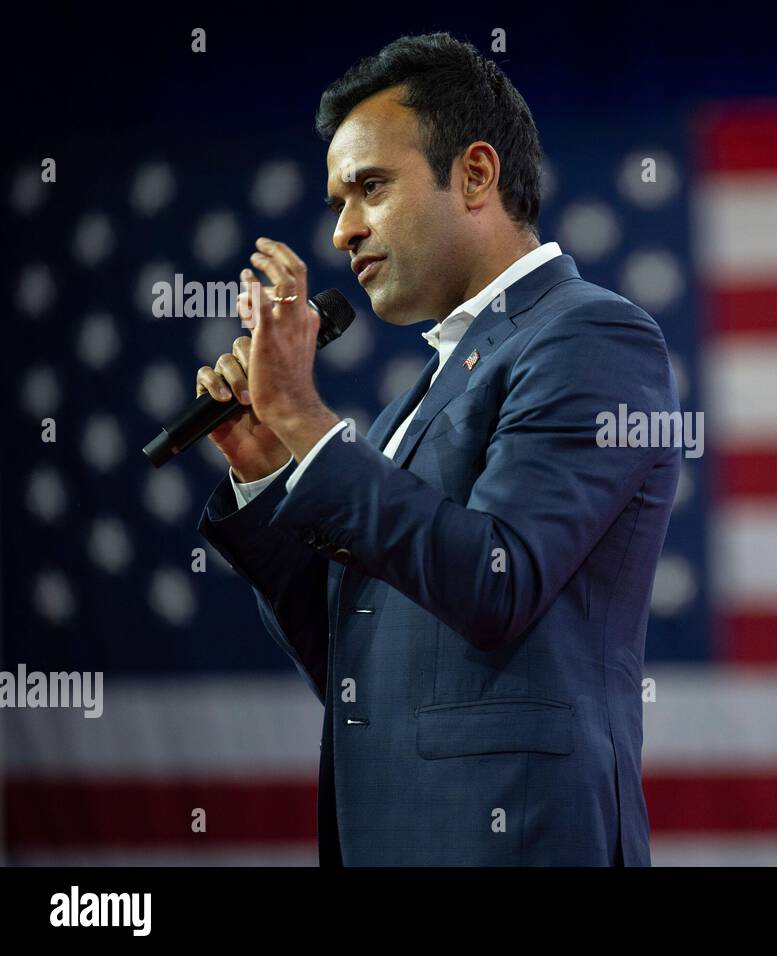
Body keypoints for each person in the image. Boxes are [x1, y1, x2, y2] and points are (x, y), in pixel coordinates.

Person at [195, 32, 680, 866]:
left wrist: (309, 420)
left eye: (370, 188)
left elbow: (500, 580)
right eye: (337, 203)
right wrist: (274, 464)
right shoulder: (412, 404)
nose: (344, 232)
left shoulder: (591, 336)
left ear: (477, 176)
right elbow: (363, 659)